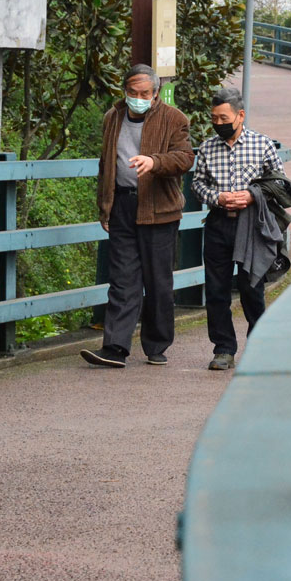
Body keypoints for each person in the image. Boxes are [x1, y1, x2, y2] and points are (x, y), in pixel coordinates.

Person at [81, 65, 194, 368]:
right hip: (122, 207)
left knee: (158, 281)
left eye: (145, 93)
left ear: (156, 93)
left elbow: (184, 158)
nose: (139, 98)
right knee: (121, 280)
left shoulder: (174, 119)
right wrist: (105, 207)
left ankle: (157, 345)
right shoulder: (112, 118)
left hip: (159, 209)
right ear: (125, 92)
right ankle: (115, 347)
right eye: (134, 93)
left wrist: (154, 162)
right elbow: (106, 165)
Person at [190, 87, 285, 370]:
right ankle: (223, 349)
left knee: (251, 287)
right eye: (214, 119)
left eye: (224, 118)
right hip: (219, 223)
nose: (219, 124)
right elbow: (197, 184)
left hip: (251, 224)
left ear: (240, 115)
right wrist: (216, 197)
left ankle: (258, 347)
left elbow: (281, 183)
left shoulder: (263, 144)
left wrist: (252, 195)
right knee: (216, 289)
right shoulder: (207, 147)